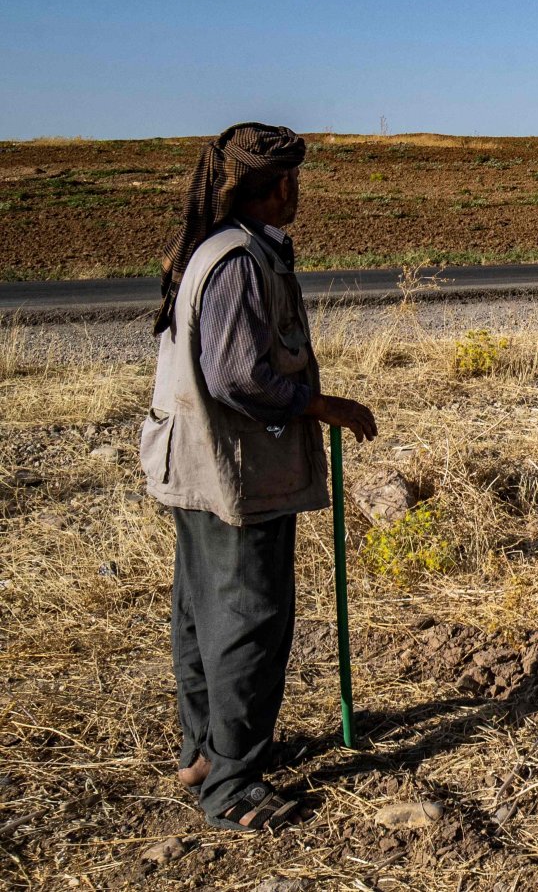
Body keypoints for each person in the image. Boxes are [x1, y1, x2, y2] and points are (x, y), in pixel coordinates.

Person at [142, 122, 377, 832]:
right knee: (248, 623)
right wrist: (323, 404)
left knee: (203, 614)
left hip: (195, 466)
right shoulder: (240, 259)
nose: (297, 192)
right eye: (293, 181)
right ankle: (234, 788)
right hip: (233, 474)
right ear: (276, 187)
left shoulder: (209, 250)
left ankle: (208, 754)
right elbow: (240, 376)